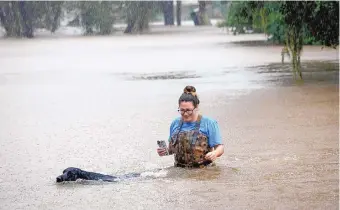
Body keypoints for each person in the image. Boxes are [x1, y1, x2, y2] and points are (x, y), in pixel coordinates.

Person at [157, 85, 224, 168]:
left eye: (188, 110)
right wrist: (165, 151)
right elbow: (172, 149)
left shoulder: (209, 123)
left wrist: (215, 153)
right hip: (179, 169)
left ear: (196, 108)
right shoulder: (175, 123)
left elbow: (220, 148)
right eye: (182, 110)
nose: (185, 113)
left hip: (203, 170)